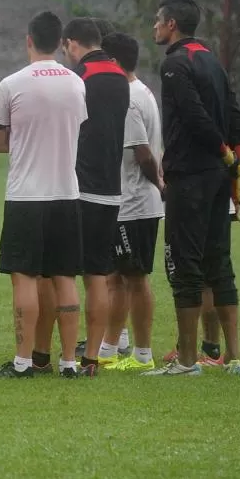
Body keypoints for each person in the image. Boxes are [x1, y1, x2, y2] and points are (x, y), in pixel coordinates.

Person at [144, 0, 240, 377]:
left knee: (183, 264)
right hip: (218, 179)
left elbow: (193, 115)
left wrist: (225, 153)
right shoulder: (211, 59)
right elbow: (234, 110)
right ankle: (234, 357)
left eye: (158, 20)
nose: (154, 26)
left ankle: (188, 362)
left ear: (172, 24)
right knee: (218, 262)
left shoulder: (175, 63)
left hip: (189, 175)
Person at [0, 11, 87, 379]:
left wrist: (25, 137)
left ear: (28, 40)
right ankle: (69, 362)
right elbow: (77, 128)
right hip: (66, 192)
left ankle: (23, 361)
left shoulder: (12, 84)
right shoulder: (76, 84)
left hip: (26, 195)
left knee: (24, 278)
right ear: (60, 42)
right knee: (65, 278)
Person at [36, 18, 128, 378]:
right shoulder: (122, 77)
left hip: (76, 186)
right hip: (111, 188)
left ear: (72, 43)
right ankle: (92, 357)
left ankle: (50, 353)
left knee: (59, 273)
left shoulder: (79, 78)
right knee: (98, 275)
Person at [97, 32, 163, 372]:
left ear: (114, 62)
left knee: (134, 278)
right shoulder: (141, 91)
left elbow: (143, 154)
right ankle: (108, 349)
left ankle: (142, 355)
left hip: (135, 203)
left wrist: (161, 185)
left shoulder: (129, 99)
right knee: (116, 278)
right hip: (127, 201)